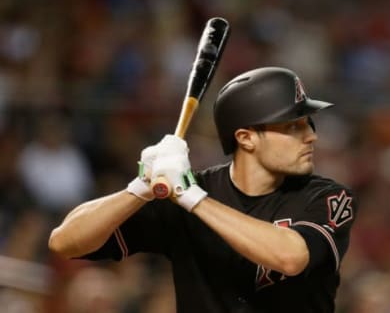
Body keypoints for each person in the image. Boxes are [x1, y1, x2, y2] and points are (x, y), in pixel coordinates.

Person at [49, 67, 358, 313]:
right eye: (293, 126)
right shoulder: (184, 196)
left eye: (308, 123)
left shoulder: (327, 196)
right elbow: (65, 242)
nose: (311, 136)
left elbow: (290, 257)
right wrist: (139, 188)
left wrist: (192, 197)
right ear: (246, 138)